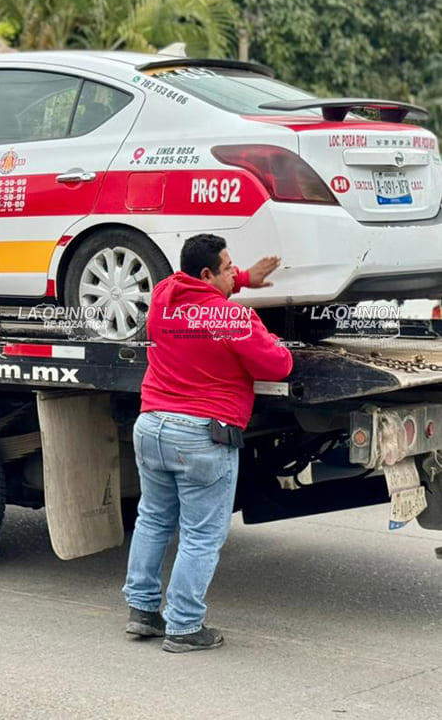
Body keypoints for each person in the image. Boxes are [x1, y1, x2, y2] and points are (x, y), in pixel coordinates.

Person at [123, 233, 293, 653]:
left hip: (151, 426)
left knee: (153, 520)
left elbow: (201, 289)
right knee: (201, 536)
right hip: (200, 435)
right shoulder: (229, 318)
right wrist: (269, 335)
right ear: (206, 274)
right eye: (229, 267)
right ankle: (183, 627)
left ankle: (143, 612)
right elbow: (278, 364)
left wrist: (245, 279)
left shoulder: (163, 295)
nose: (235, 272)